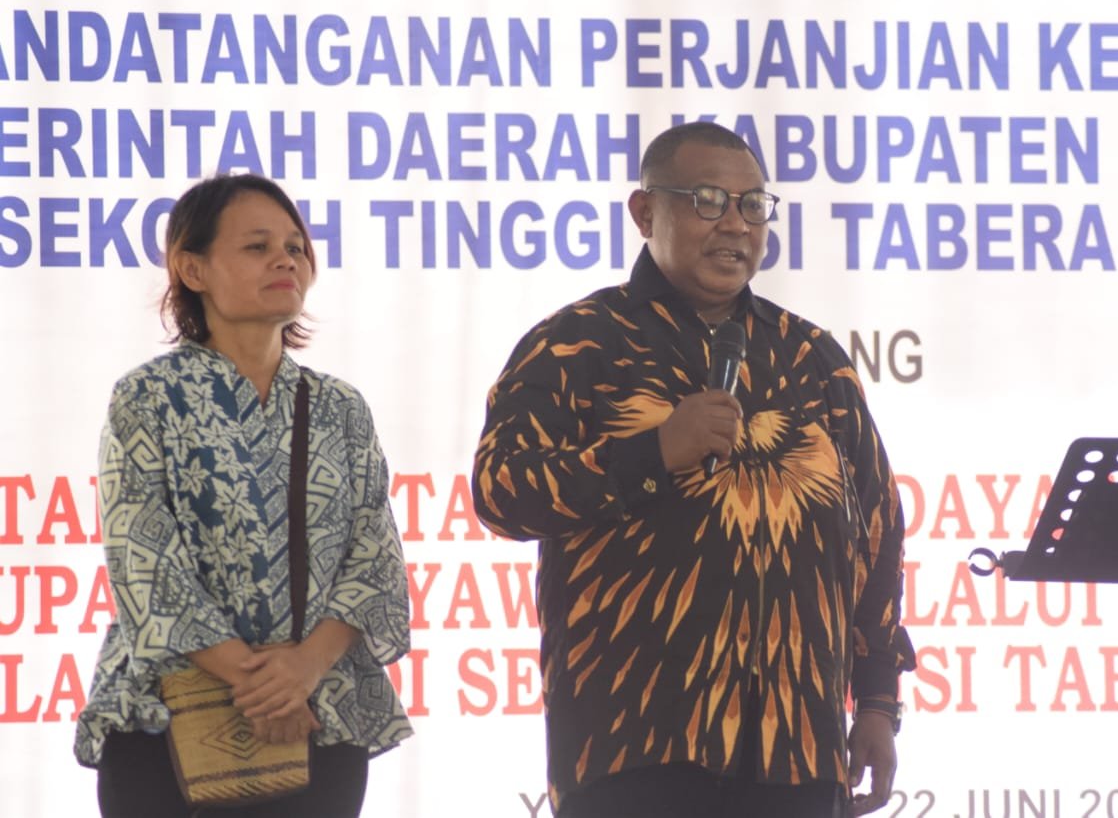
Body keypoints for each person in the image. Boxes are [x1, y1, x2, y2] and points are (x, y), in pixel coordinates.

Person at [472, 122, 916, 818]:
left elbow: (877, 536)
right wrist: (652, 453)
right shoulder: (577, 344)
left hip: (798, 747)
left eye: (753, 205)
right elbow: (502, 490)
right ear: (645, 211)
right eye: (708, 200)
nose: (735, 224)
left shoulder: (813, 358)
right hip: (634, 745)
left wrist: (880, 702)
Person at [73, 173, 413, 817]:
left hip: (320, 715)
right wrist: (258, 682)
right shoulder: (148, 397)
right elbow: (144, 561)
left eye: (295, 247)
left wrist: (304, 670)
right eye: (257, 247)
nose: (285, 259)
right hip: (168, 722)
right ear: (192, 268)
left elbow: (376, 557)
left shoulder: (340, 407)